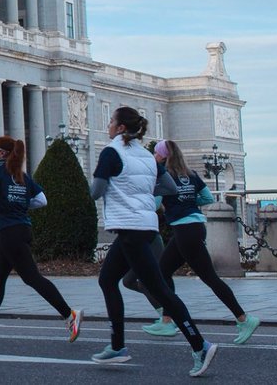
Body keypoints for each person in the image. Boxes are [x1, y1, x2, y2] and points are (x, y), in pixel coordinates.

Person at [91, 106, 218, 376]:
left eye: (111, 121)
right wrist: (144, 191)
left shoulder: (111, 152)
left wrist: (108, 188)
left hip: (129, 227)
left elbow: (96, 191)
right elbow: (169, 188)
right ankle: (117, 346)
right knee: (107, 280)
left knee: (160, 290)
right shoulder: (148, 156)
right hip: (143, 227)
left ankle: (200, 345)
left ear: (121, 128)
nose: (109, 126)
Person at [143, 139, 259, 344]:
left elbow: (155, 205)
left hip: (184, 230)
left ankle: (244, 318)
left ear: (163, 157)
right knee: (163, 271)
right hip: (194, 227)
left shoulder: (163, 176)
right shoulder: (192, 174)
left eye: (156, 154)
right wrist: (188, 202)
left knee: (209, 278)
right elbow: (207, 199)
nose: (154, 157)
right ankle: (167, 320)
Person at [0, 135, 82, 338]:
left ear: (2, 153)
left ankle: (69, 314)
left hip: (8, 232)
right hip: (22, 229)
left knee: (32, 277)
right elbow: (42, 200)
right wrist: (20, 205)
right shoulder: (21, 175)